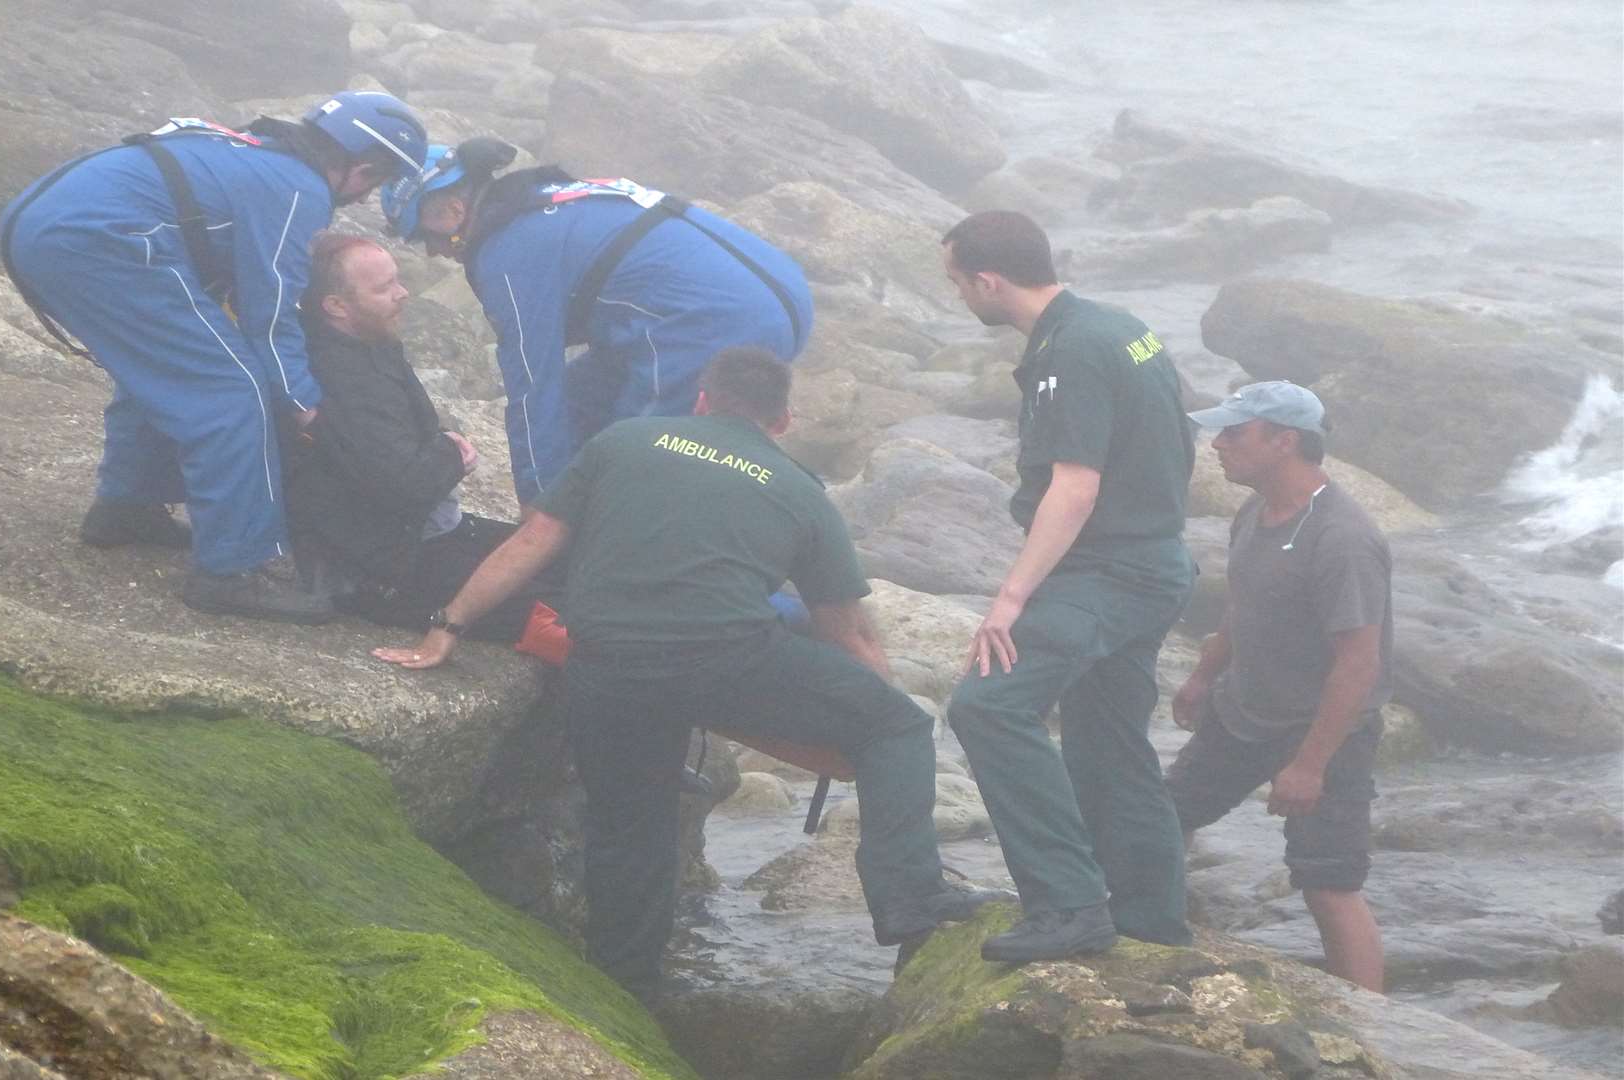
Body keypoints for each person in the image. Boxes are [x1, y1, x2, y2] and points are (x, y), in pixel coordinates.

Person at [374, 348, 987, 997]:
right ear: (780, 421)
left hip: (606, 660)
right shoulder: (797, 487)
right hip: (724, 659)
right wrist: (868, 721)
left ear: (702, 400)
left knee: (629, 829)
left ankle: (623, 993)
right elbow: (849, 631)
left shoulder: (624, 442)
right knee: (896, 726)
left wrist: (448, 625)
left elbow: (532, 543)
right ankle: (910, 901)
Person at [0, 91, 428, 622]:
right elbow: (269, 313)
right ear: (362, 167)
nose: (363, 197)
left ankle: (127, 507)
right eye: (377, 182)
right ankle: (228, 570)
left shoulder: (255, 150)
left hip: (40, 224)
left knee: (173, 368)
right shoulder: (300, 187)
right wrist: (305, 404)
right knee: (230, 389)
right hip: (100, 241)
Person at [939, 210, 1197, 962]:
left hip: (1110, 571)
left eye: (958, 283)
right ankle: (1151, 919)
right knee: (1110, 743)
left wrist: (1012, 598)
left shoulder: (1068, 352)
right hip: (1158, 560)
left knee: (988, 705)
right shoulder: (1121, 325)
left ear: (989, 281)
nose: (959, 298)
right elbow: (1178, 439)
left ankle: (1068, 906)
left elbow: (1075, 487)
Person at [378, 138, 814, 504]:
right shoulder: (546, 195)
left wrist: (538, 507)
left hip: (712, 322)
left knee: (629, 470)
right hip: (781, 293)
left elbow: (532, 386)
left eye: (424, 236)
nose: (434, 252)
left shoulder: (507, 251)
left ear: (451, 210)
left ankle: (750, 567)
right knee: (580, 404)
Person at [1170, 381, 1391, 992]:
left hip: (1322, 731)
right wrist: (1203, 675)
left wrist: (1310, 765)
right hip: (1241, 712)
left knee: (1328, 881)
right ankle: (1147, 936)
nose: (1217, 445)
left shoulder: (1343, 537)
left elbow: (1358, 662)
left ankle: (1376, 1032)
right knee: (1162, 818)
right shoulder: (1256, 510)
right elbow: (1243, 608)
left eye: (1234, 433)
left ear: (1284, 441)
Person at [284, 231, 541, 640]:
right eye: (384, 288)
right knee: (556, 607)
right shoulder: (342, 375)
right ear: (336, 306)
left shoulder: (371, 343)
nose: (402, 294)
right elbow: (405, 483)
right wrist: (453, 455)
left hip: (416, 532)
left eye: (398, 280)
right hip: (385, 565)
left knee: (555, 559)